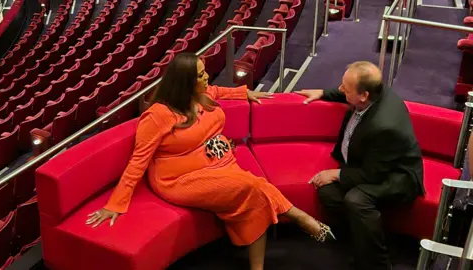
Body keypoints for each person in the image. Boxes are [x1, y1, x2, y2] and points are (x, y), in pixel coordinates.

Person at [85, 53, 335, 270]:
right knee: (254, 186)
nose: (207, 78)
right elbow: (138, 160)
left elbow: (218, 91)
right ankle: (302, 218)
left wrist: (244, 93)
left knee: (255, 192)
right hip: (179, 179)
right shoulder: (158, 115)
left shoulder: (201, 95)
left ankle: (258, 266)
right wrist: (115, 204)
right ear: (186, 83)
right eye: (201, 75)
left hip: (218, 162)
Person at [296, 61, 424, 270]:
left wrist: (337, 173)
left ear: (364, 95)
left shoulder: (383, 126)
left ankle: (378, 264)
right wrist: (322, 92)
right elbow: (346, 93)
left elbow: (372, 175)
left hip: (397, 175)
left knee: (356, 200)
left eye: (345, 88)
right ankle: (375, 241)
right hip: (371, 166)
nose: (340, 89)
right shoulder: (373, 93)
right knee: (328, 193)